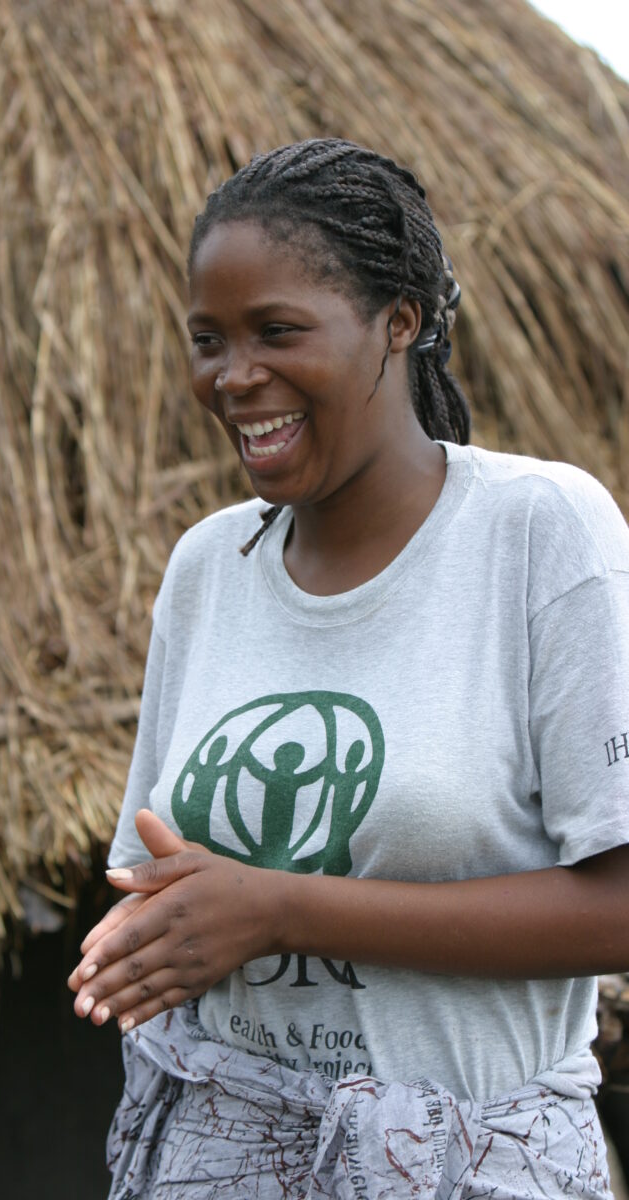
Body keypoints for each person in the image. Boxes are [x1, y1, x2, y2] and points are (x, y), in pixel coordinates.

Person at [68, 139, 629, 1198]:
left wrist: (282, 909)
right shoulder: (207, 568)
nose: (234, 377)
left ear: (398, 324)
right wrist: (144, 930)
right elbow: (164, 872)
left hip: (465, 1163)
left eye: (277, 331)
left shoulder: (536, 534)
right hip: (218, 1153)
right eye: (207, 340)